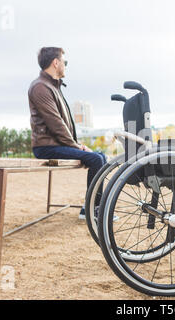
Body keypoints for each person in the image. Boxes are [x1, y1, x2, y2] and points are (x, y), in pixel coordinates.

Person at [28, 47, 106, 220]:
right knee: (95, 159)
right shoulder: (40, 87)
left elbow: (61, 125)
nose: (65, 65)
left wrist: (76, 146)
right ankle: (92, 210)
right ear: (56, 63)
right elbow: (56, 124)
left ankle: (92, 208)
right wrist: (76, 146)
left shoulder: (52, 86)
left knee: (101, 157)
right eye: (65, 62)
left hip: (57, 144)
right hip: (46, 147)